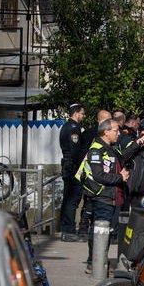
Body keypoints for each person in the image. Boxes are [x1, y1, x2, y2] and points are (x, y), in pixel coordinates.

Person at [76, 119, 130, 274]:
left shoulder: (110, 148)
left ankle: (97, 261)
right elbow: (99, 175)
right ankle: (93, 263)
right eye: (115, 130)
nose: (118, 133)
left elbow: (124, 157)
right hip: (101, 196)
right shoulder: (96, 149)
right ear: (106, 132)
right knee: (100, 230)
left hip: (109, 196)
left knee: (102, 230)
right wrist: (120, 178)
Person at [59, 103, 86, 242]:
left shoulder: (66, 127)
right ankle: (68, 230)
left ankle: (66, 228)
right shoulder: (73, 128)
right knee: (72, 199)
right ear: (76, 113)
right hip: (73, 167)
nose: (84, 116)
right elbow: (75, 151)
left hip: (68, 166)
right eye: (82, 113)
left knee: (68, 198)